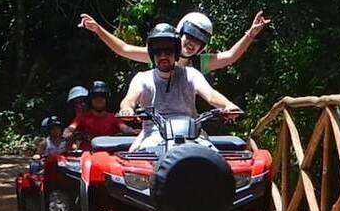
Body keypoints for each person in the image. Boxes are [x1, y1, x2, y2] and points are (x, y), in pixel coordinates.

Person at [119, 23, 241, 151]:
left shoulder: (191, 74)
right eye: (158, 52)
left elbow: (211, 95)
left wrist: (227, 105)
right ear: (151, 54)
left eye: (168, 51)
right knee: (132, 164)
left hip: (193, 135)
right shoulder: (142, 78)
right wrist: (126, 109)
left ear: (177, 53)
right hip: (153, 135)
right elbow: (129, 100)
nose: (163, 56)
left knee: (215, 162)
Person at [78, 10, 270, 75]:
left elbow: (230, 57)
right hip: (156, 122)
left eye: (198, 42)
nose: (191, 44)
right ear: (180, 33)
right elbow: (124, 49)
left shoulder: (199, 63)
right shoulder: (159, 55)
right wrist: (98, 29)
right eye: (189, 37)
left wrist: (250, 34)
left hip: (187, 124)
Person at [64, 81, 136, 150]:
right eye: (95, 96)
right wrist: (68, 132)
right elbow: (71, 128)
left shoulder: (113, 118)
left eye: (102, 96)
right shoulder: (81, 117)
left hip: (109, 154)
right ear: (90, 99)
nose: (99, 99)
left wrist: (137, 132)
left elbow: (126, 129)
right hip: (87, 156)